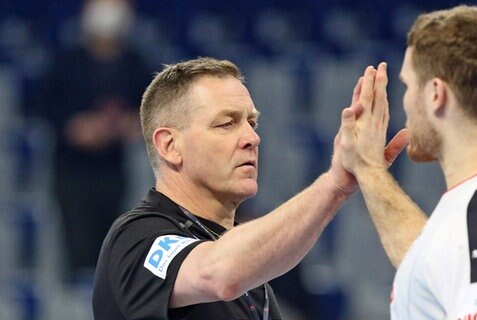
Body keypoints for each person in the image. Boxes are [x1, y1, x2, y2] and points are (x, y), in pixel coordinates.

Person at [92, 57, 407, 319]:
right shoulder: (138, 238)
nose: (252, 138)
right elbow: (217, 273)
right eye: (226, 123)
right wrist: (335, 184)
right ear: (170, 145)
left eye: (252, 123)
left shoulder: (255, 283)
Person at [338, 5, 477, 319]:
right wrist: (368, 169)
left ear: (436, 94)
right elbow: (442, 265)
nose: (404, 100)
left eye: (407, 85)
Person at [37, 0, 149, 280]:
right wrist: (73, 126)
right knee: (79, 248)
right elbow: (44, 107)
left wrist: (132, 124)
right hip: (72, 171)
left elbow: (151, 108)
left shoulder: (134, 62)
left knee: (115, 246)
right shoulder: (66, 62)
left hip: (115, 170)